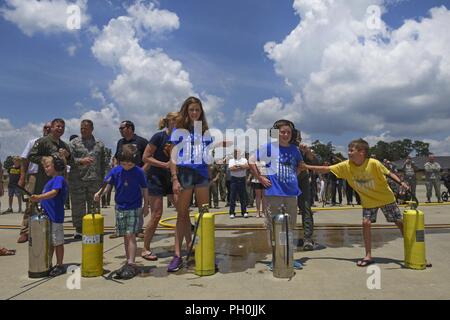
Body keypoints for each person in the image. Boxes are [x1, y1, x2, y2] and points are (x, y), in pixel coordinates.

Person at [302, 138, 408, 267]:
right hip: (368, 201)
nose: (349, 153)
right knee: (366, 223)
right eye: (349, 150)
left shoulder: (373, 163)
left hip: (386, 198)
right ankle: (368, 255)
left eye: (351, 150)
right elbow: (326, 169)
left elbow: (390, 173)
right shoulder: (346, 165)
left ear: (361, 152)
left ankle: (412, 251)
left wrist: (402, 183)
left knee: (400, 223)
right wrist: (306, 166)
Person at [168, 96, 224, 272]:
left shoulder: (205, 132)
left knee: (203, 214)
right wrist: (175, 178)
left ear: (201, 112)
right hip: (184, 174)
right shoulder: (178, 131)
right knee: (182, 215)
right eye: (191, 109)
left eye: (197, 110)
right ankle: (177, 255)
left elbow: (207, 158)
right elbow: (173, 157)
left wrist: (210, 177)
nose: (194, 113)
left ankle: (204, 251)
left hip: (201, 176)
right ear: (186, 111)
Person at [249, 119, 305, 271]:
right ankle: (276, 258)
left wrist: (294, 175)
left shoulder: (295, 149)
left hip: (291, 193)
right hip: (273, 193)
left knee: (290, 227)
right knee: (274, 228)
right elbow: (251, 161)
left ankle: (289, 257)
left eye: (288, 132)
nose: (286, 134)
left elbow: (300, 165)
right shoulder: (269, 147)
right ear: (276, 133)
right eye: (282, 132)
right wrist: (260, 177)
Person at [94, 144, 149, 279]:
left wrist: (146, 205)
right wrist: (100, 194)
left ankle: (131, 262)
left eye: (130, 164)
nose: (127, 166)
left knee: (130, 234)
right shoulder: (115, 171)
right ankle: (128, 260)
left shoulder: (139, 172)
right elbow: (108, 185)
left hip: (134, 207)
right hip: (120, 207)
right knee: (125, 235)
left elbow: (145, 189)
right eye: (124, 163)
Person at [141, 112, 178, 261]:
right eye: (175, 120)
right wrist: (164, 165)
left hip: (173, 178)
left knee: (182, 211)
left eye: (179, 121)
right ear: (168, 121)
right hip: (156, 177)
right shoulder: (159, 136)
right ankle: (145, 248)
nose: (177, 123)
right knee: (156, 214)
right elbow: (146, 157)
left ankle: (186, 245)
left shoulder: (181, 138)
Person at [30, 156, 68, 277]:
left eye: (47, 166)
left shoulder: (59, 179)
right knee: (50, 242)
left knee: (57, 242)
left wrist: (39, 197)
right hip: (47, 217)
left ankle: (60, 265)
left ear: (56, 166)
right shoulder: (49, 181)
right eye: (44, 167)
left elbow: (54, 193)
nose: (45, 169)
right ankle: (49, 263)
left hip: (55, 217)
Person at [68, 120, 106, 240]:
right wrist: (81, 160)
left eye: (86, 128)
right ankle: (79, 229)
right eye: (81, 128)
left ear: (92, 129)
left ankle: (94, 227)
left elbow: (103, 162)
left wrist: (104, 180)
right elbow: (69, 160)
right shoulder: (74, 143)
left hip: (95, 180)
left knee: (94, 204)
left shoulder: (99, 144)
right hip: (77, 179)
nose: (83, 130)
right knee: (78, 205)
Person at [16, 122, 52, 243]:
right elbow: (24, 159)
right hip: (34, 175)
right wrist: (22, 176)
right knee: (31, 203)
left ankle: (45, 229)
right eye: (45, 127)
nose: (47, 129)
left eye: (49, 127)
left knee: (48, 203)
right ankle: (25, 231)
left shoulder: (54, 144)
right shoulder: (33, 142)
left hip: (49, 177)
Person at [28, 118, 72, 195]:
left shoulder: (65, 145)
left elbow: (71, 162)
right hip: (45, 180)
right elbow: (31, 156)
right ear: (51, 128)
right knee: (45, 203)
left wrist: (68, 156)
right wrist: (46, 159)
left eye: (63, 127)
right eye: (58, 126)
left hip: (60, 181)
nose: (60, 128)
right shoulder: (42, 142)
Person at [296, 134, 318, 251]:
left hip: (302, 180)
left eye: (297, 137)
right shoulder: (280, 147)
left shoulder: (302, 149)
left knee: (305, 207)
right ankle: (283, 237)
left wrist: (308, 151)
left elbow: (316, 162)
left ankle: (307, 238)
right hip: (285, 180)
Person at [228, 149, 249, 219]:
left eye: (237, 152)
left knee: (243, 197)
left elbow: (247, 166)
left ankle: (244, 212)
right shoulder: (231, 160)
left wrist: (237, 166)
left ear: (240, 153)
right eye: (235, 152)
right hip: (234, 180)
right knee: (232, 197)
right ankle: (232, 212)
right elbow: (231, 168)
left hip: (242, 179)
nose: (236, 154)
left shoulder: (244, 160)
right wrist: (241, 167)